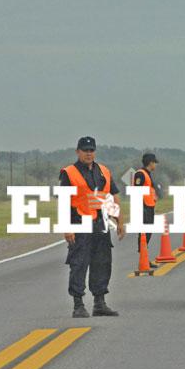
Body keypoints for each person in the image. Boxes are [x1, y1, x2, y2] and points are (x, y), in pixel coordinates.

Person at [59, 136, 125, 318]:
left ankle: (99, 303)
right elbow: (64, 202)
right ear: (77, 151)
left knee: (102, 263)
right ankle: (78, 305)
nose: (89, 153)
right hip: (80, 224)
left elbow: (113, 195)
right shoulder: (69, 173)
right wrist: (67, 227)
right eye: (85, 150)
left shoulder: (103, 171)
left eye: (91, 150)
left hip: (101, 224)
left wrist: (119, 220)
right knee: (79, 263)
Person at [134, 153, 158, 267]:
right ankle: (143, 258)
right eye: (154, 163)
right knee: (144, 233)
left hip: (149, 206)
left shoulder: (147, 174)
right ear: (150, 163)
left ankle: (145, 257)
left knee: (148, 232)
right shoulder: (140, 174)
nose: (155, 165)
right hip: (144, 208)